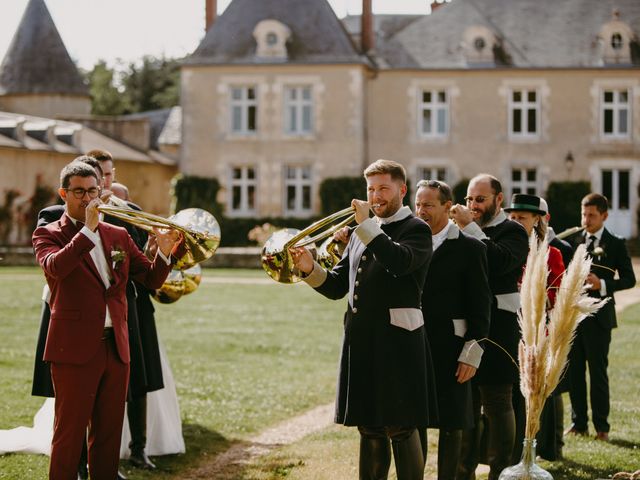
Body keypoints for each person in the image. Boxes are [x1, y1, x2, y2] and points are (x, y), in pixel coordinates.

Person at [32, 161, 180, 480]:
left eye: (93, 191)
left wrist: (165, 253)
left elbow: (151, 279)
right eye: (79, 192)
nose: (88, 199)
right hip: (73, 352)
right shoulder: (48, 233)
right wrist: (87, 229)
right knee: (68, 435)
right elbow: (56, 268)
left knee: (109, 436)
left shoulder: (119, 234)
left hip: (116, 349)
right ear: (64, 194)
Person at [291, 159, 434, 480]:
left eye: (383, 188)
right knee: (369, 426)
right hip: (363, 341)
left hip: (399, 342)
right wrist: (308, 268)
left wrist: (366, 227)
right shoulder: (361, 233)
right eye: (371, 188)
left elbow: (400, 262)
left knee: (400, 425)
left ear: (402, 189)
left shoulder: (417, 229)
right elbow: (338, 286)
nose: (376, 195)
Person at [450, 174, 529, 480]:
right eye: (469, 199)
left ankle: (501, 471)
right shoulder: (459, 231)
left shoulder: (513, 231)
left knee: (497, 399)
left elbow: (497, 262)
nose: (473, 206)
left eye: (480, 200)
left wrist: (468, 227)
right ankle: (463, 471)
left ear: (499, 200)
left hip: (501, 326)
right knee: (467, 401)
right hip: (465, 324)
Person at [414, 180, 491, 480]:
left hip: (452, 349)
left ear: (448, 207)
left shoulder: (470, 248)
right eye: (418, 204)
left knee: (452, 424)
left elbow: (481, 306)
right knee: (412, 421)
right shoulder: (408, 242)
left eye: (428, 205)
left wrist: (472, 353)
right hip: (412, 345)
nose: (421, 211)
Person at [565, 193, 635, 441]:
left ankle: (602, 426)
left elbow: (629, 279)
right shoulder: (573, 240)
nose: (586, 219)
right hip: (574, 317)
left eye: (592, 215)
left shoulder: (615, 243)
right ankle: (578, 423)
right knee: (574, 372)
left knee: (597, 372)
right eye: (584, 214)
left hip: (600, 319)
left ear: (604, 216)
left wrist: (602, 285)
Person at [504, 193, 566, 461]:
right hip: (509, 327)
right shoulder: (506, 247)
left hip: (539, 329)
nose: (516, 221)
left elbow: (557, 292)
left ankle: (544, 447)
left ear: (537, 220)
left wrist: (529, 293)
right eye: (513, 217)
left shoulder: (551, 253)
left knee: (540, 391)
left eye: (522, 218)